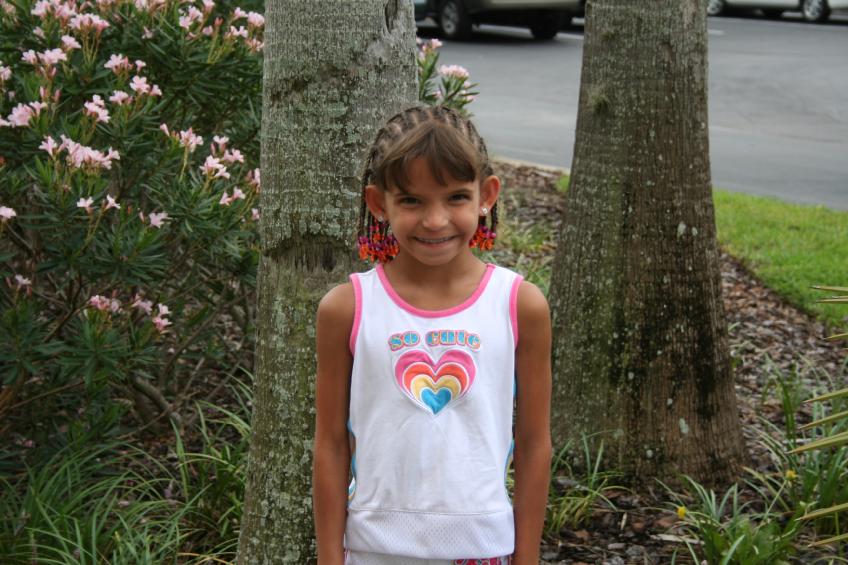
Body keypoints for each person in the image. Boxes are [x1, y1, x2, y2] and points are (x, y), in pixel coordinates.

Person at [313, 105, 552, 565]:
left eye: (456, 197)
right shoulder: (348, 308)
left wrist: (526, 559)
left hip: (483, 548)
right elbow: (330, 444)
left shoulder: (519, 305)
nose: (436, 220)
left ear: (487, 195)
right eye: (411, 201)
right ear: (378, 204)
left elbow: (534, 443)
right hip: (372, 551)